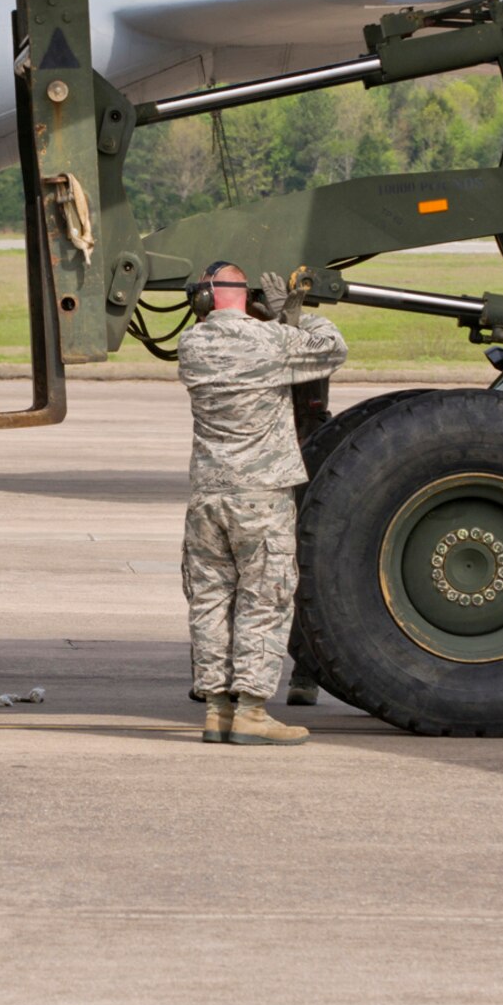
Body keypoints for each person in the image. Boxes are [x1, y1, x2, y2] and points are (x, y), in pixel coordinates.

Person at [177, 263, 347, 746]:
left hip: (208, 498)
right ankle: (251, 711)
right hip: (261, 496)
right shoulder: (269, 341)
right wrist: (291, 315)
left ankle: (216, 710)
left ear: (205, 300)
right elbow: (333, 348)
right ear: (242, 293)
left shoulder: (191, 346)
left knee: (210, 600)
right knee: (263, 598)